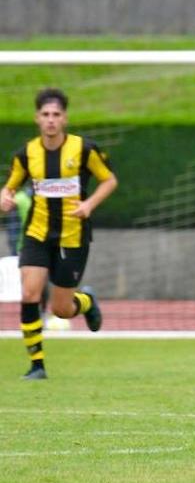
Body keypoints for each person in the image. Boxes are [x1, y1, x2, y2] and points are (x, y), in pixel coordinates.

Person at [0, 88, 114, 380]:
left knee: (62, 309)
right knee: (29, 293)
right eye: (46, 115)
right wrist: (5, 198)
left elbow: (109, 180)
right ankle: (37, 365)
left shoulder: (84, 150)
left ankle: (85, 301)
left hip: (72, 236)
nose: (51, 120)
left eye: (56, 115)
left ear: (65, 119)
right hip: (37, 233)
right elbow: (9, 188)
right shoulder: (26, 154)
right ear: (37, 119)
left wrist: (89, 204)